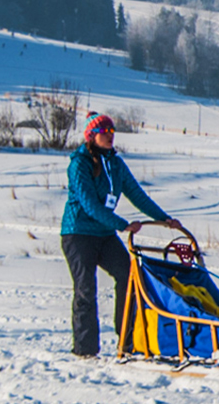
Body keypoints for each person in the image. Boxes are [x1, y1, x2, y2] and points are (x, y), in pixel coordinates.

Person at [60, 114, 181, 357]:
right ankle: (85, 350)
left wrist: (164, 218)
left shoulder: (115, 164)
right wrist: (122, 225)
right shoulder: (80, 163)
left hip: (104, 234)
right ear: (91, 135)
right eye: (104, 131)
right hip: (78, 233)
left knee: (129, 276)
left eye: (112, 130)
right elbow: (89, 204)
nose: (110, 135)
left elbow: (136, 194)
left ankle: (127, 341)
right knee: (86, 289)